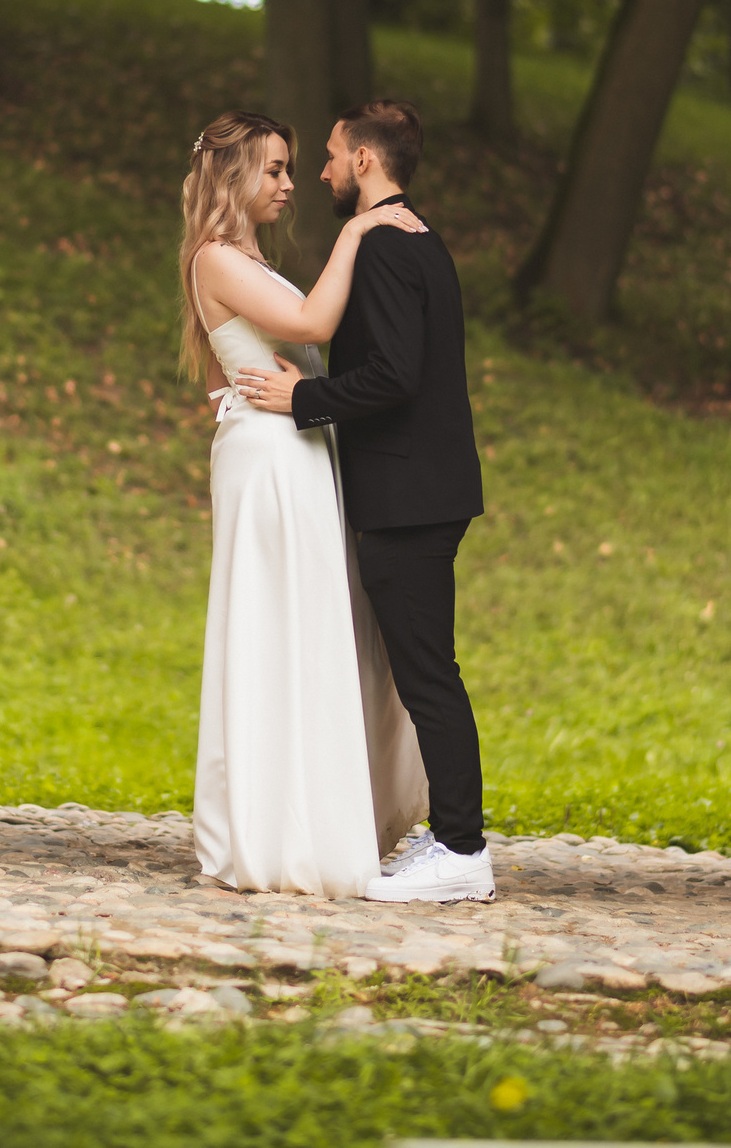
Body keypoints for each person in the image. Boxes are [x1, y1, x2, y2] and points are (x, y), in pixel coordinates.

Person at [234, 99, 493, 904]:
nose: (321, 171)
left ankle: (462, 851)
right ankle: (449, 836)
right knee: (423, 672)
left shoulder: (383, 246)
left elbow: (395, 375)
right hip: (425, 488)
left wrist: (303, 399)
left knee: (427, 676)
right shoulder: (416, 236)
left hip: (408, 495)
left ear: (366, 163)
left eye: (334, 156)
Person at [179, 110, 431, 898]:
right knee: (277, 628)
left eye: (294, 167)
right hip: (272, 462)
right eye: (275, 169)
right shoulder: (215, 257)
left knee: (314, 624)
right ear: (234, 176)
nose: (290, 183)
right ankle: (276, 829)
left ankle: (324, 812)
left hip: (295, 449)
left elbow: (239, 367)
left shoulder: (244, 260)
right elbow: (316, 321)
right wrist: (360, 232)